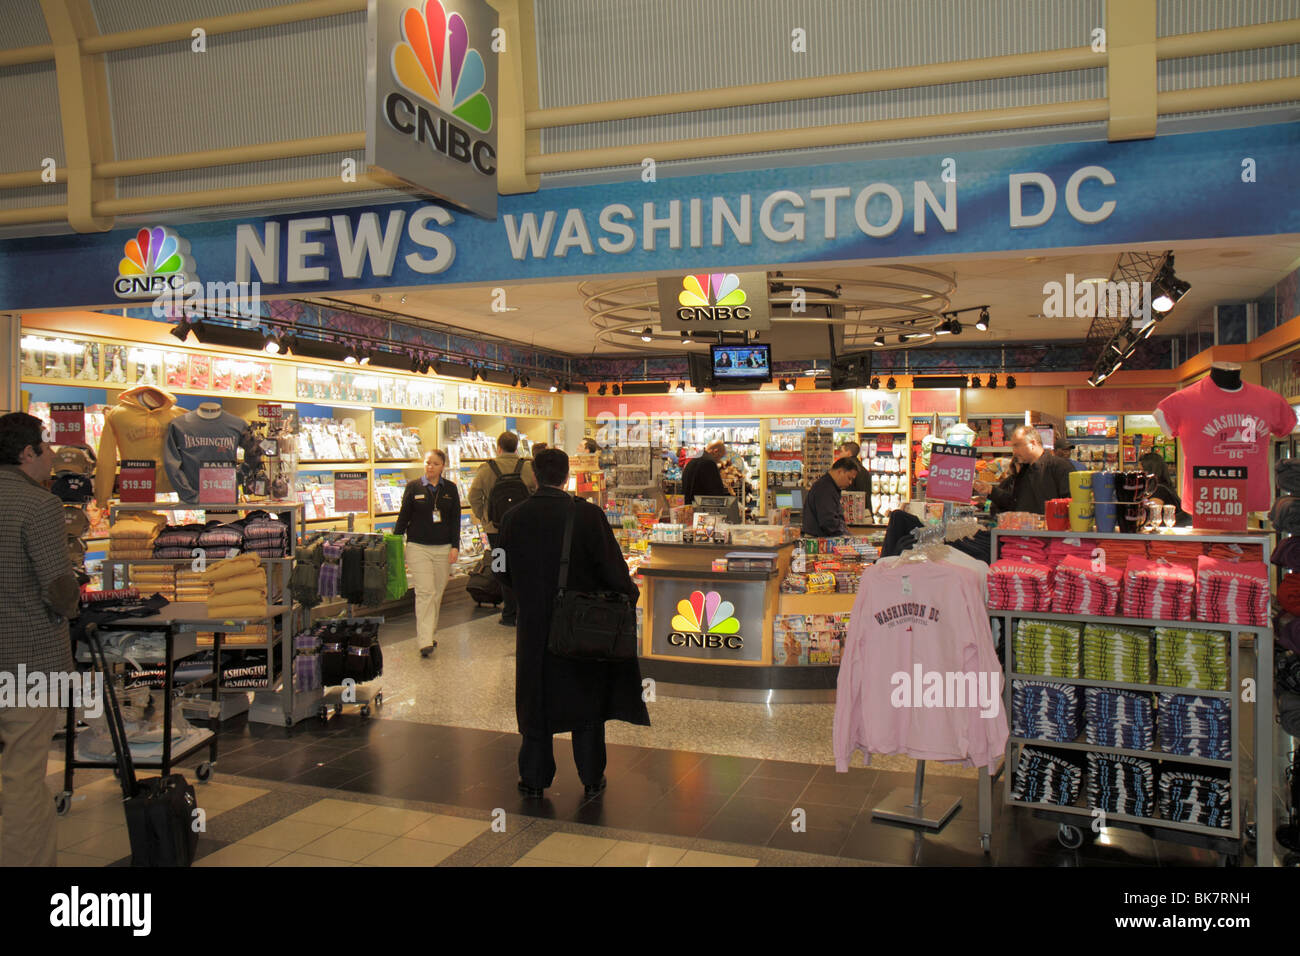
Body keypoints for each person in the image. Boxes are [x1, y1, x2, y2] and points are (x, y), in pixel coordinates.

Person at [496, 448, 650, 799]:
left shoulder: (513, 517)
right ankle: (591, 775)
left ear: (534, 476)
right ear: (566, 476)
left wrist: (526, 595)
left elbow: (499, 568)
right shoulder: (588, 516)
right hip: (583, 626)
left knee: (536, 698)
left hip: (534, 625)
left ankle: (534, 777)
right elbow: (614, 570)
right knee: (585, 699)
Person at [0, 412, 79, 867]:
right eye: (46, 448)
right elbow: (58, 588)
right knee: (25, 776)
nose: (51, 456)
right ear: (26, 453)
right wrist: (71, 607)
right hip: (28, 662)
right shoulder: (39, 506)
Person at [393, 449, 460, 656]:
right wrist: (395, 541)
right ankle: (424, 641)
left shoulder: (450, 488)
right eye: (427, 462)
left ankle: (430, 632)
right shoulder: (413, 487)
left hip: (443, 548)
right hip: (418, 547)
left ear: (443, 466)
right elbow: (403, 517)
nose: (430, 467)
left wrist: (455, 546)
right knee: (425, 592)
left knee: (437, 592)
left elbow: (455, 519)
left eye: (435, 463)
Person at [469, 432, 538, 626]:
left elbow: (473, 495)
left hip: (495, 530)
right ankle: (525, 610)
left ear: (498, 447)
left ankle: (509, 612)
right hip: (524, 529)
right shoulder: (526, 467)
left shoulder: (487, 468)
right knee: (523, 567)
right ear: (516, 447)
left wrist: (484, 517)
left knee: (500, 567)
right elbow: (536, 491)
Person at [972, 424, 1072, 515]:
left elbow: (1071, 504)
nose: (1014, 451)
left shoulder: (1060, 466)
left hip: (1050, 532)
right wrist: (991, 490)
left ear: (1032, 443)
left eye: (1017, 445)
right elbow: (1014, 504)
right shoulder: (1023, 471)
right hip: (1025, 532)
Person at [802, 458, 860, 537]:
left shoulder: (829, 486)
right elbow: (828, 521)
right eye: (849, 478)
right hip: (819, 541)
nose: (850, 483)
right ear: (840, 471)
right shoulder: (825, 488)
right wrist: (844, 535)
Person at [1140, 451, 1191, 525]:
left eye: (1141, 470)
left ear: (1149, 471)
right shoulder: (1165, 487)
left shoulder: (1158, 490)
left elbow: (1153, 515)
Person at [681, 439, 728, 504]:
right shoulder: (709, 463)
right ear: (715, 451)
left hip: (689, 504)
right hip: (701, 507)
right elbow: (716, 492)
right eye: (720, 457)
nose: (719, 460)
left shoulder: (695, 458)